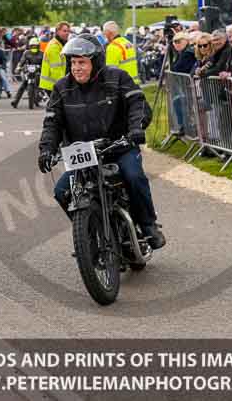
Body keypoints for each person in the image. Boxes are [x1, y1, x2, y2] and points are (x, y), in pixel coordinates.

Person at [37, 34, 164, 249]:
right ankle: (89, 231)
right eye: (73, 62)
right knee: (62, 191)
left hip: (118, 146)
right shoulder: (61, 87)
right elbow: (52, 122)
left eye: (82, 62)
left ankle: (148, 225)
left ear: (95, 62)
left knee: (134, 176)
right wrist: (46, 149)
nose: (76, 68)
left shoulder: (117, 77)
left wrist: (136, 129)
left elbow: (137, 103)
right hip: (84, 153)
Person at [104, 21, 141, 85]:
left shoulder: (112, 47)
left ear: (108, 33)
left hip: (123, 85)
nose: (104, 35)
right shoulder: (127, 42)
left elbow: (111, 72)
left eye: (104, 32)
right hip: (134, 82)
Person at [11, 37, 43, 108]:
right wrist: (18, 68)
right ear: (30, 46)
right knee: (23, 85)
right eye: (32, 46)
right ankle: (15, 101)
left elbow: (45, 63)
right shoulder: (26, 53)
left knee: (41, 86)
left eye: (35, 46)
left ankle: (40, 97)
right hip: (28, 72)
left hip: (38, 72)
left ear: (38, 46)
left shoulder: (42, 54)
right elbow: (21, 61)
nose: (34, 47)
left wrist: (42, 68)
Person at [40, 21, 70, 92]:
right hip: (53, 84)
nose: (67, 33)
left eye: (68, 31)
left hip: (56, 84)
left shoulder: (61, 44)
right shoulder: (54, 46)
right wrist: (63, 85)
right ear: (57, 32)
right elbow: (56, 70)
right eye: (64, 31)